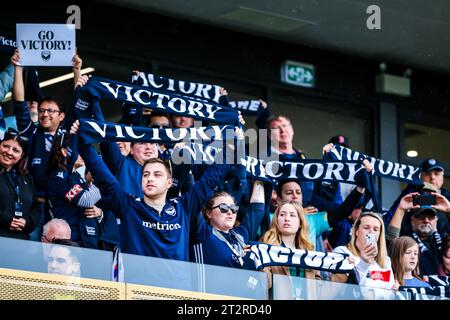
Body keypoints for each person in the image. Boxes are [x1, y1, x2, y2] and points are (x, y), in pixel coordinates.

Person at [72, 119, 242, 260]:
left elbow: (210, 179)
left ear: (169, 182)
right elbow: (101, 173)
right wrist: (82, 140)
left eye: (157, 174)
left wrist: (233, 144)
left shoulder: (184, 207)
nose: (150, 178)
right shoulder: (129, 205)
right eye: (146, 175)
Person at [12, 49, 67, 241]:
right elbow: (19, 101)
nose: (44, 114)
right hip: (33, 207)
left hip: (62, 207)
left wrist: (77, 69)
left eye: (51, 111)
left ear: (61, 116)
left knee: (61, 253)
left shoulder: (67, 136)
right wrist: (18, 68)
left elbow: (80, 105)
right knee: (31, 253)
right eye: (42, 110)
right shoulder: (32, 132)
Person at [191, 179, 265, 268]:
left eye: (233, 208)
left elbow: (257, 210)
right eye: (223, 207)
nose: (230, 212)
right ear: (209, 213)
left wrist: (259, 177)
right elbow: (193, 197)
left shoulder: (240, 235)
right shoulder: (203, 233)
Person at [46, 133, 103, 247]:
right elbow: (87, 200)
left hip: (87, 239)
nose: (84, 154)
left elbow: (91, 205)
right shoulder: (59, 177)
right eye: (79, 149)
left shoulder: (76, 176)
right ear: (65, 151)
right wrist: (102, 181)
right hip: (69, 240)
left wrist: (99, 214)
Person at [331, 212, 397, 290]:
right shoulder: (342, 252)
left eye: (375, 229)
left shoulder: (385, 260)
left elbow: (391, 293)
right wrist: (363, 263)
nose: (371, 232)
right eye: (366, 228)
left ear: (380, 235)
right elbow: (353, 290)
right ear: (356, 231)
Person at [260, 201, 320, 286]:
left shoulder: (310, 250)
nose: (287, 218)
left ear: (300, 223)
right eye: (282, 215)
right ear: (276, 220)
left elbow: (317, 287)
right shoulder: (266, 247)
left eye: (292, 215)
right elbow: (265, 284)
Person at [387, 192, 449, 276]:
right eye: (421, 216)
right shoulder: (405, 238)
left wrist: (449, 211)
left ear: (436, 219)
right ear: (412, 219)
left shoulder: (445, 239)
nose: (426, 220)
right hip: (415, 286)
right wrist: (401, 210)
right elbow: (391, 241)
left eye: (430, 217)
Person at [0, 128, 39, 239]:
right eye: (6, 146)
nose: (9, 152)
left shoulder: (26, 177)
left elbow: (36, 208)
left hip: (21, 242)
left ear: (21, 156)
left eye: (16, 150)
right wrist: (6, 220)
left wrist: (26, 222)